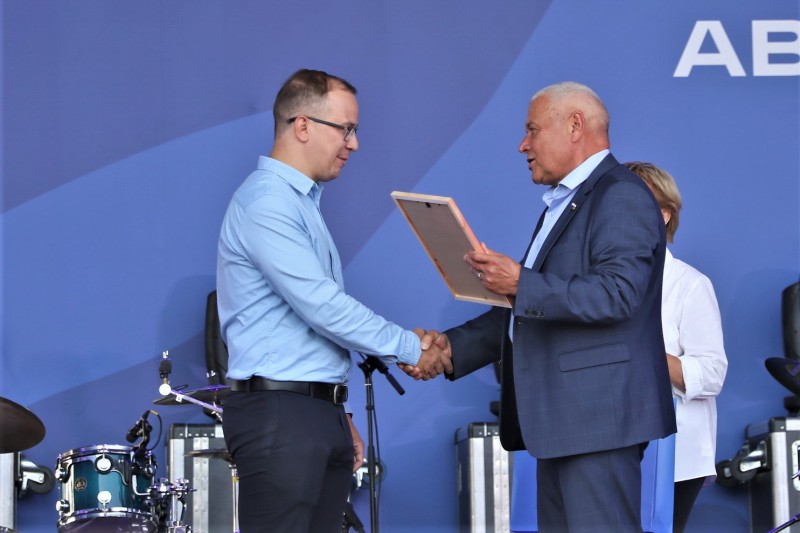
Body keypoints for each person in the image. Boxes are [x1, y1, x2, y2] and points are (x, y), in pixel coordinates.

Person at [408, 82, 677, 532]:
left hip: (598, 422)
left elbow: (617, 294)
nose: (523, 144)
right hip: (564, 424)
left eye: (532, 129)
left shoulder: (620, 194)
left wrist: (520, 281)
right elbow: (530, 306)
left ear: (575, 125)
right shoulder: (568, 201)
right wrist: (452, 349)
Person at [216, 68, 451, 533]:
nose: (354, 144)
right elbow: (321, 306)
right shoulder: (267, 202)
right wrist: (411, 347)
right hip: (281, 418)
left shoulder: (300, 203)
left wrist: (335, 411)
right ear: (303, 125)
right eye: (346, 129)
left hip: (309, 413)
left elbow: (303, 328)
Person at [626, 161, 728, 533]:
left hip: (675, 454)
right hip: (607, 442)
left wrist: (643, 351)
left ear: (664, 215)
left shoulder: (690, 285)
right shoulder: (594, 282)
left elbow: (712, 373)